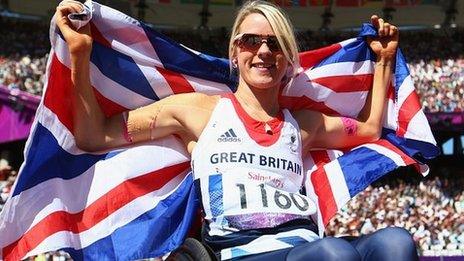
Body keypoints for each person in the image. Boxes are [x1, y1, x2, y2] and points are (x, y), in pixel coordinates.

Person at [55, 0, 418, 260]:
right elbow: (94, 135)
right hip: (239, 250)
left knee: (396, 243)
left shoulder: (303, 125)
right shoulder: (195, 111)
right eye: (251, 40)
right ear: (234, 51)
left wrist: (384, 60)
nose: (263, 51)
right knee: (333, 254)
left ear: (289, 59)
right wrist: (81, 55)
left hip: (305, 244)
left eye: (275, 43)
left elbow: (370, 129)